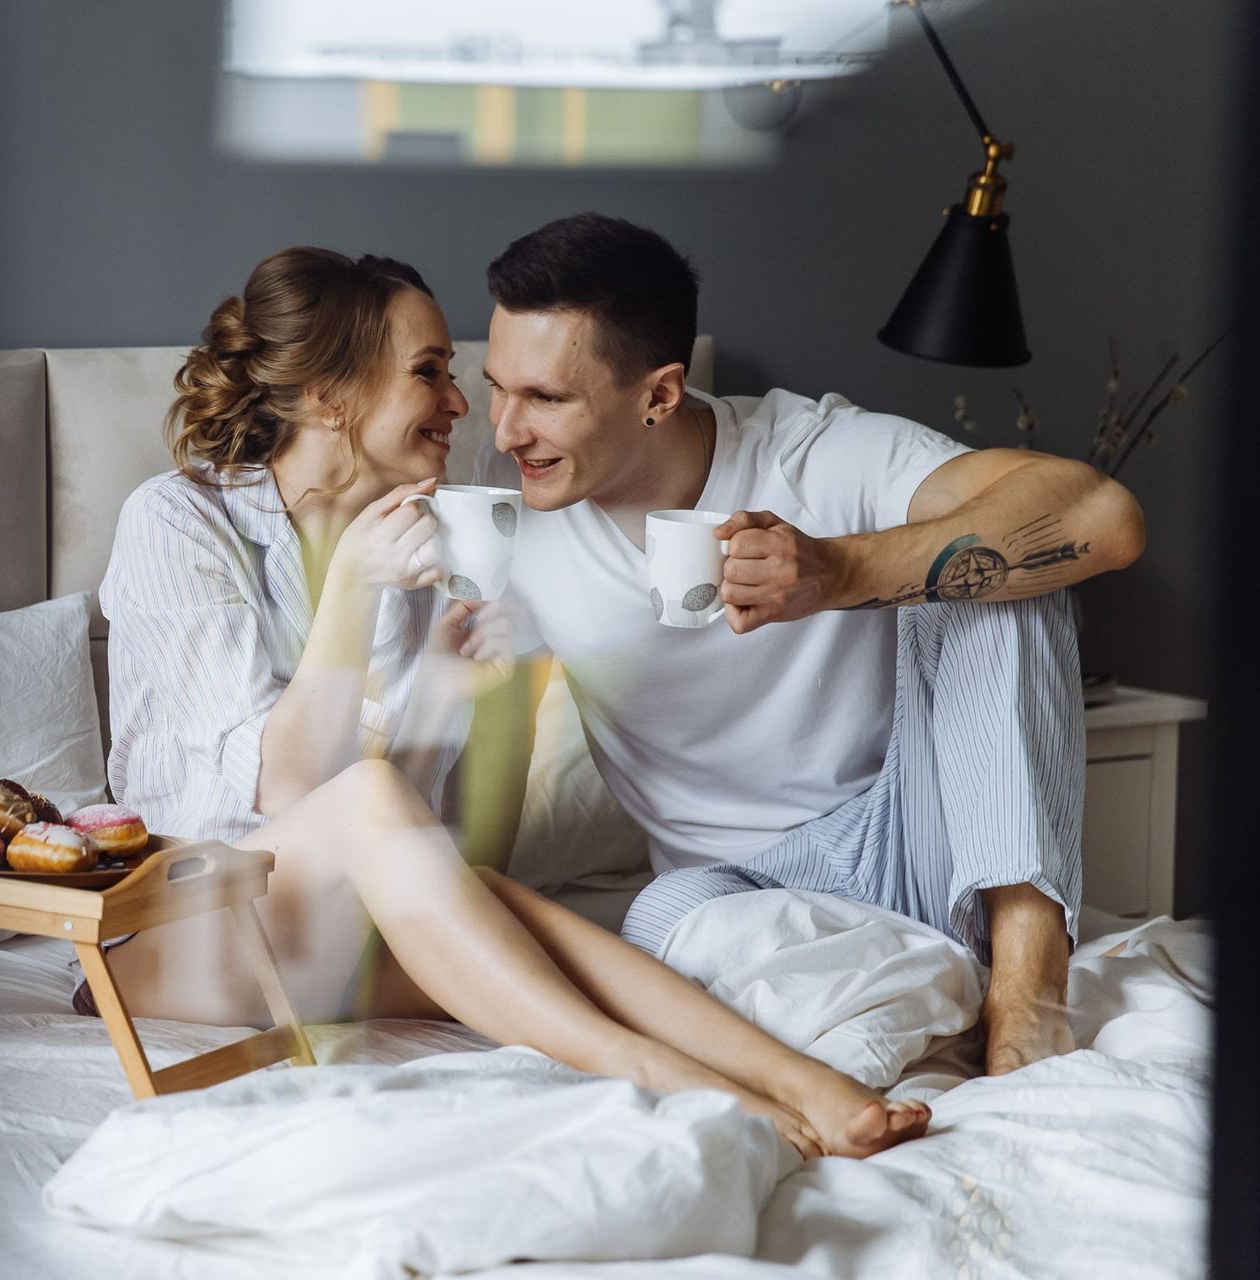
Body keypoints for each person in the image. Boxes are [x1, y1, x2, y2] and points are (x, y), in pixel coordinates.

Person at [95, 245, 930, 1159]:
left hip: (328, 928)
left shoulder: (430, 546)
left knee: (509, 911)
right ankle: (664, 1077)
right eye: (430, 372)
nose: (464, 407)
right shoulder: (177, 522)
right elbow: (293, 792)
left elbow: (416, 834)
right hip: (176, 935)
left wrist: (443, 697)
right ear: (330, 398)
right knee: (383, 815)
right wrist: (353, 593)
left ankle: (800, 1080)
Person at [476, 212, 1146, 1075]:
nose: (506, 430)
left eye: (545, 399)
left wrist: (841, 570)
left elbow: (1103, 519)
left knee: (1001, 565)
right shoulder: (500, 512)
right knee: (653, 920)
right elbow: (490, 742)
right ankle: (921, 995)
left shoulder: (812, 453)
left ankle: (1025, 999)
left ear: (660, 395)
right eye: (496, 388)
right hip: (739, 893)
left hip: (914, 839)